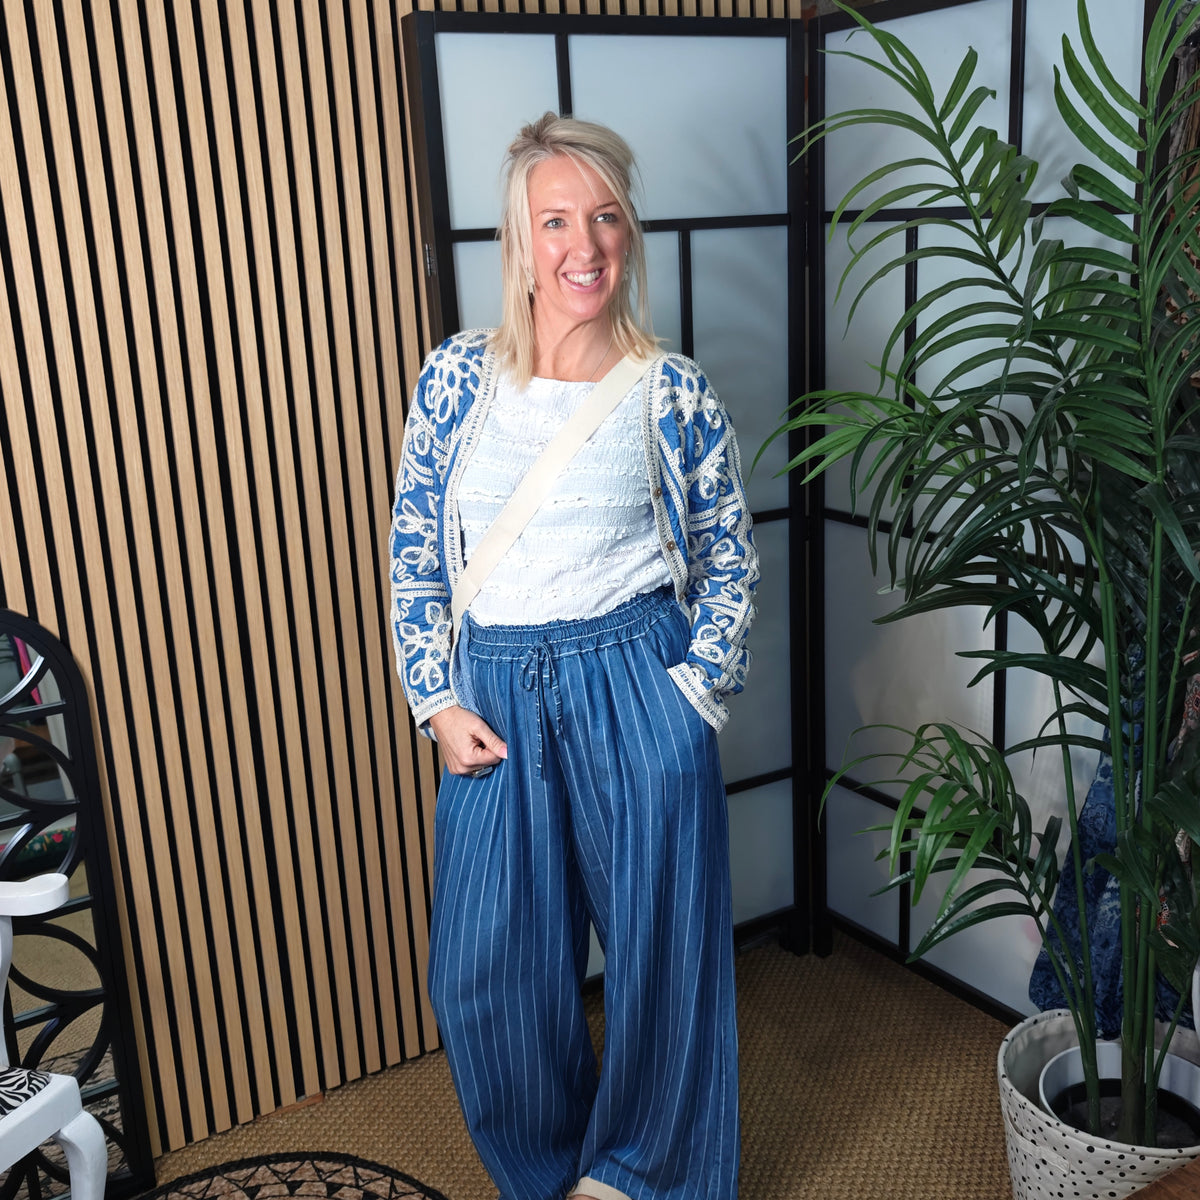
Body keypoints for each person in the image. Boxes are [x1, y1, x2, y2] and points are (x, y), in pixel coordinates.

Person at [389, 112, 757, 1200]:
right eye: (557, 219)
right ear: (520, 239)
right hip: (494, 686)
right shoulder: (456, 378)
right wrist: (434, 696)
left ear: (627, 232)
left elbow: (729, 553)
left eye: (604, 216)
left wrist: (690, 696)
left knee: (662, 964)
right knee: (484, 976)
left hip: (632, 681)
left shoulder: (669, 390)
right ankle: (552, 1173)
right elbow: (416, 545)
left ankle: (646, 1177)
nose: (583, 245)